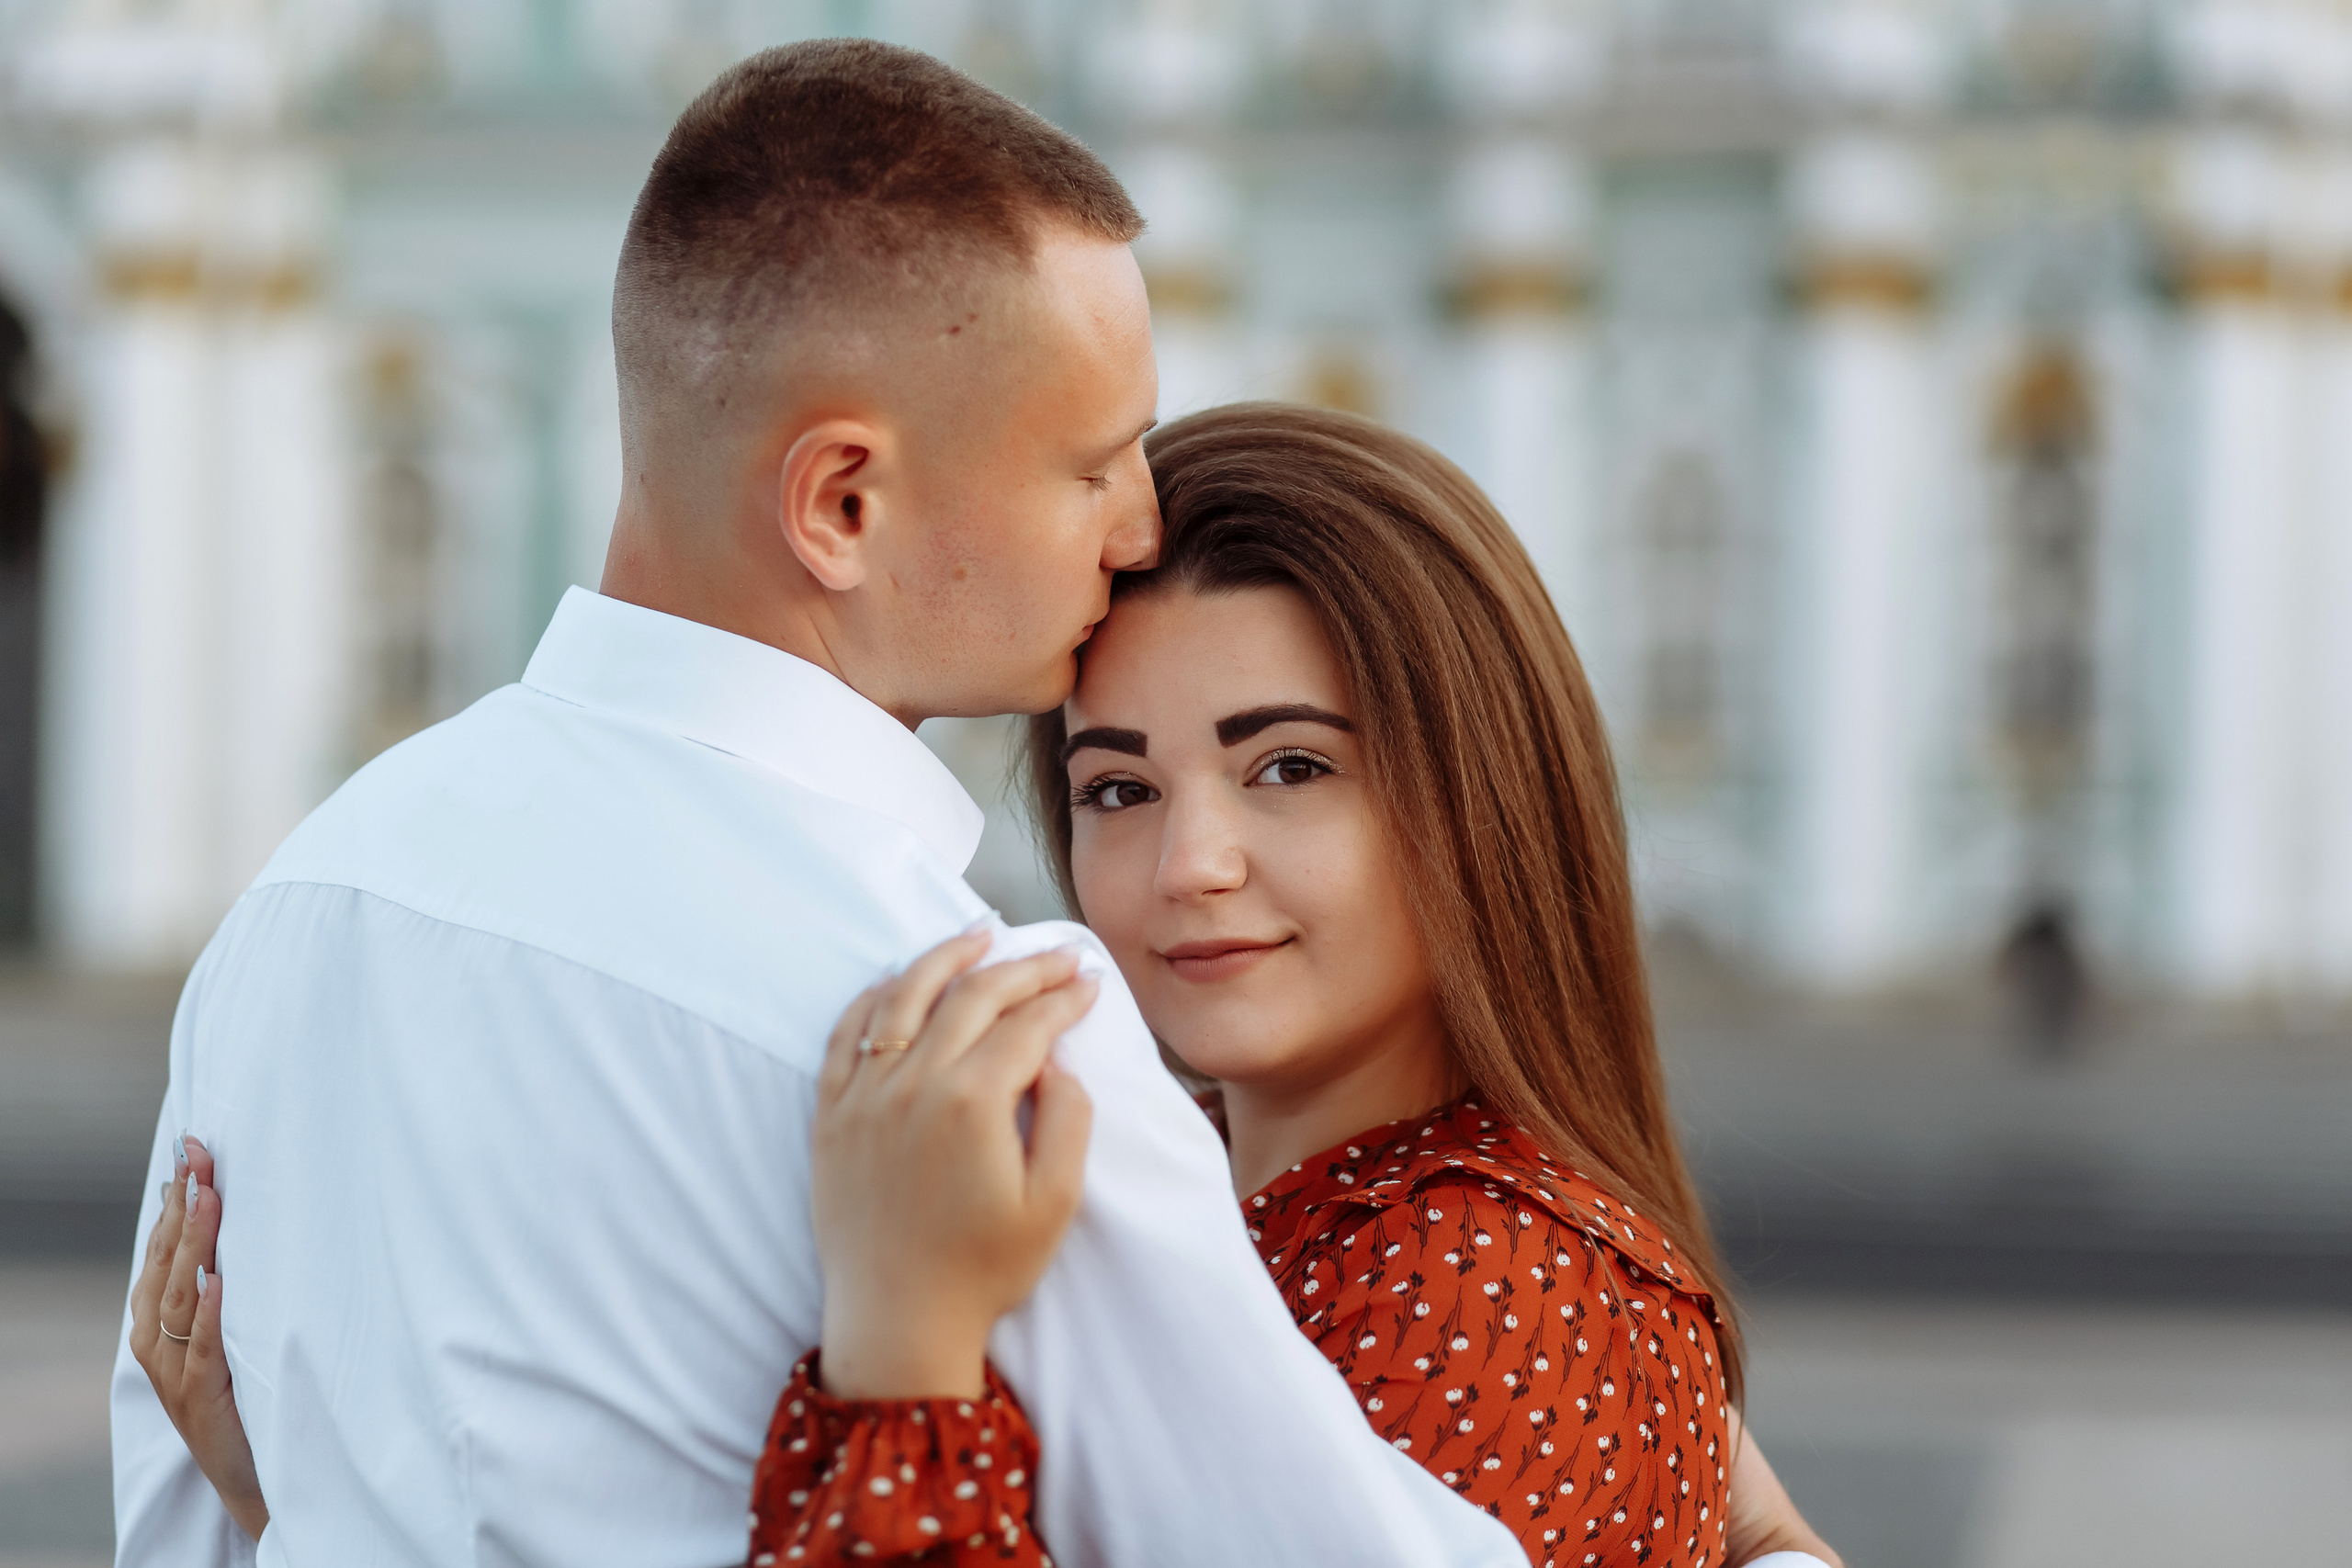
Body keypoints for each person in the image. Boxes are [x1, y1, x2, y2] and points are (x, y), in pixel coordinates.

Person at [121, 40, 1834, 1568]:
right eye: (1094, 459)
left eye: (1287, 763)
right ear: (844, 501)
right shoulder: (981, 1046)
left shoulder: (291, 918)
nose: (1140, 523)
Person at [743, 402, 1832, 1568]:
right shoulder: (1130, 1172)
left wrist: (907, 1350)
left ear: (1480, 805)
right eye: (1118, 787)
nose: (1189, 863)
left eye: (1291, 767)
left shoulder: (1488, 1284)